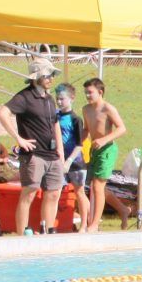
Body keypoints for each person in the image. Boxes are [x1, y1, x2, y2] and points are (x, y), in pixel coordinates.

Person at [0, 56, 66, 235]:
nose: (51, 78)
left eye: (52, 74)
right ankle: (21, 235)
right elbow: (2, 113)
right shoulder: (25, 97)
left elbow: (55, 123)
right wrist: (19, 138)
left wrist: (60, 149)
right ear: (36, 77)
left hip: (52, 154)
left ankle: (47, 231)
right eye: (47, 75)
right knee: (30, 191)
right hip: (34, 154)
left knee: (53, 192)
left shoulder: (49, 99)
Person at [80, 76, 126, 234]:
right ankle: (123, 210)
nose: (87, 96)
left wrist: (104, 139)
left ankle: (94, 224)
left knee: (97, 186)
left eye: (90, 93)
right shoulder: (86, 109)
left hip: (107, 149)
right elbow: (86, 129)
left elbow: (121, 128)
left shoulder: (108, 108)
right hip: (94, 149)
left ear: (100, 92)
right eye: (85, 92)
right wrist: (79, 143)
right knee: (96, 187)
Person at [53, 83, 88, 231]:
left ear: (72, 98)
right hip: (59, 160)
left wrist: (68, 161)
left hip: (75, 162)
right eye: (57, 99)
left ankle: (85, 224)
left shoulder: (75, 119)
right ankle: (51, 224)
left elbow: (79, 144)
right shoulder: (55, 116)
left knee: (80, 192)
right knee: (55, 192)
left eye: (62, 99)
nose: (59, 102)